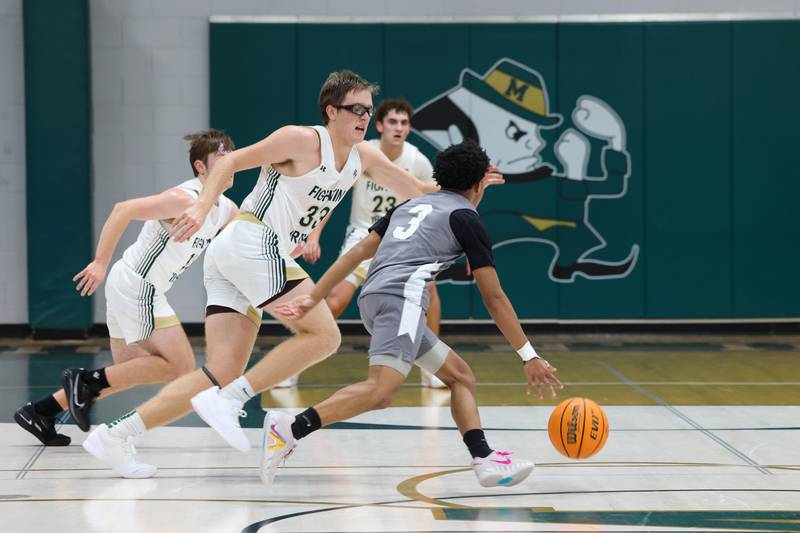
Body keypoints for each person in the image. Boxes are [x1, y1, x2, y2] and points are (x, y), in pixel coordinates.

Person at [81, 70, 444, 478]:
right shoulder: (302, 140)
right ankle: (234, 399)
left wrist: (467, 186)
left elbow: (415, 188)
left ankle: (115, 435)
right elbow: (233, 161)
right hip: (253, 242)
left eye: (367, 110)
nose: (363, 117)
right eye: (355, 109)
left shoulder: (364, 157)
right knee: (325, 335)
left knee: (220, 371)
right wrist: (202, 208)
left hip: (236, 255)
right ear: (331, 111)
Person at [265, 139, 563, 487]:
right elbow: (494, 298)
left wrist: (314, 296)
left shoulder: (412, 204)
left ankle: (483, 458)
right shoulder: (467, 219)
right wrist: (529, 355)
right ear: (480, 182)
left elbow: (357, 252)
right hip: (400, 300)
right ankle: (290, 428)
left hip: (373, 297)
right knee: (381, 391)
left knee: (460, 376)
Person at [14, 129, 238, 447]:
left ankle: (40, 411)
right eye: (221, 155)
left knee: (127, 371)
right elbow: (123, 210)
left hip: (131, 285)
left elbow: (250, 236)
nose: (230, 159)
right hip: (138, 284)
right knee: (182, 367)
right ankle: (84, 380)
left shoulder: (226, 209)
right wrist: (100, 263)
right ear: (201, 168)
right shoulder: (184, 198)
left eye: (233, 153)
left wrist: (297, 242)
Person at [283, 98, 445, 389]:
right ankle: (291, 366)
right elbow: (330, 199)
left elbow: (432, 198)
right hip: (363, 236)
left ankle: (431, 369)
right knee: (335, 300)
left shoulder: (417, 160)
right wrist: (314, 235)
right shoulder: (362, 153)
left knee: (430, 292)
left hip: (401, 241)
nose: (399, 128)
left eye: (404, 123)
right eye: (393, 122)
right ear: (380, 125)